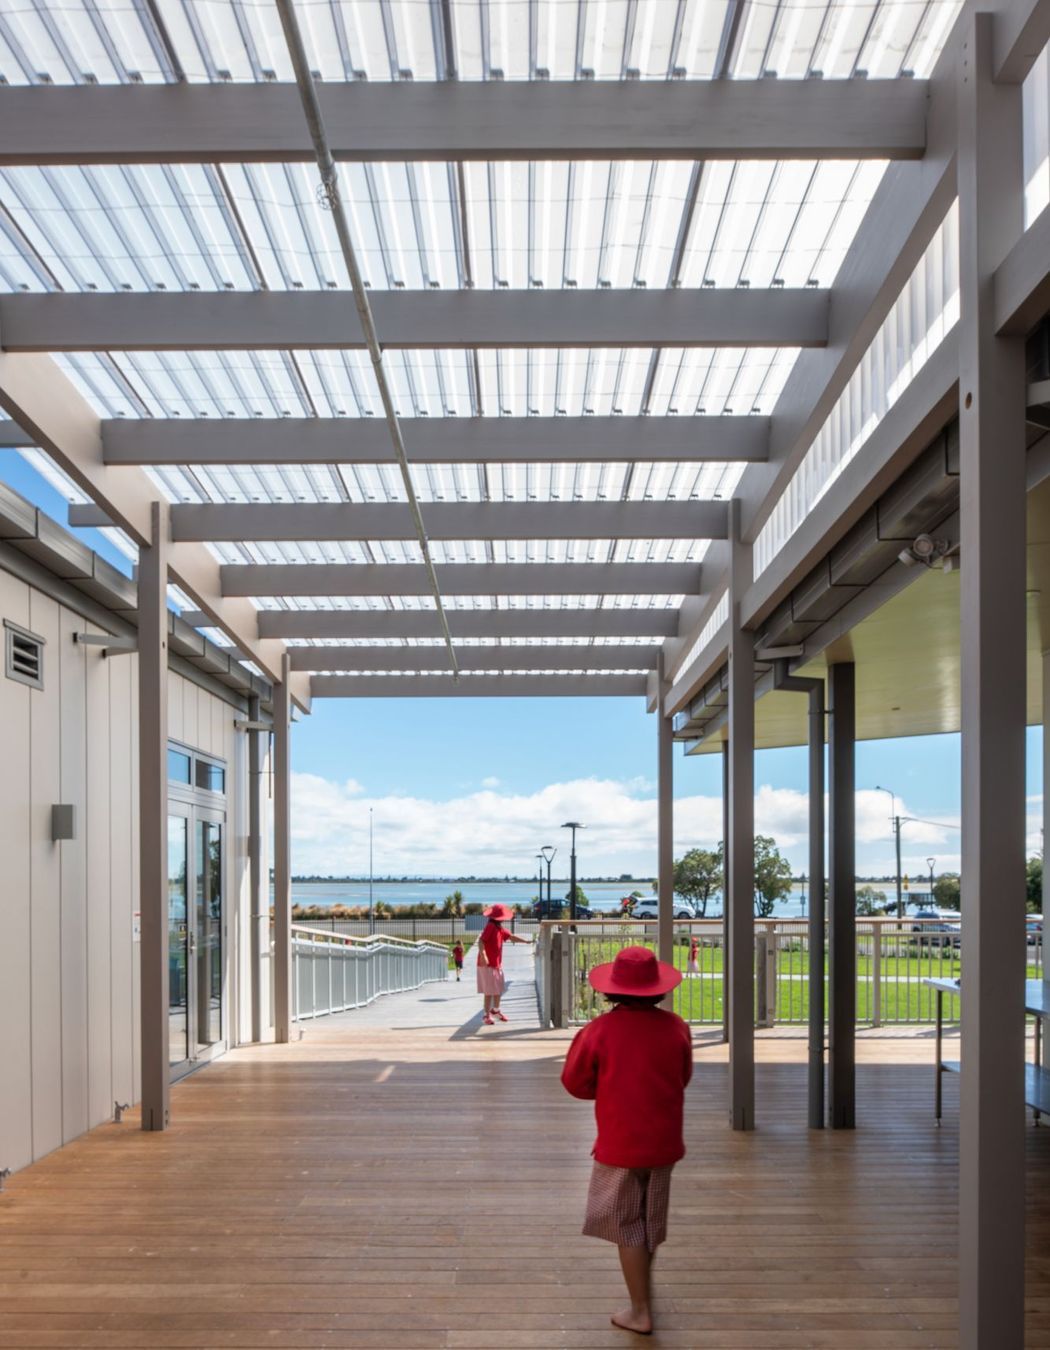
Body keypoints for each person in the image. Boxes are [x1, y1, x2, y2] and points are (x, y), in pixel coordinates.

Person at [561, 946, 692, 1337]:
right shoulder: (677, 1027)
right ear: (657, 989)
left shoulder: (598, 1031)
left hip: (620, 1145)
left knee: (627, 1225)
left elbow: (574, 1081)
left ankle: (639, 1310)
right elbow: (681, 1075)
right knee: (649, 1222)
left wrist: (607, 1089)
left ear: (611, 990)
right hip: (664, 1142)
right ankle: (642, 1297)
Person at [476, 903, 531, 1024]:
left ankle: (495, 1010)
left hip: (495, 964)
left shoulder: (499, 928)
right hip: (487, 964)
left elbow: (511, 937)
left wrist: (526, 941)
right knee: (490, 990)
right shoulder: (490, 926)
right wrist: (484, 955)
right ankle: (486, 1015)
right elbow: (481, 941)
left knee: (498, 987)